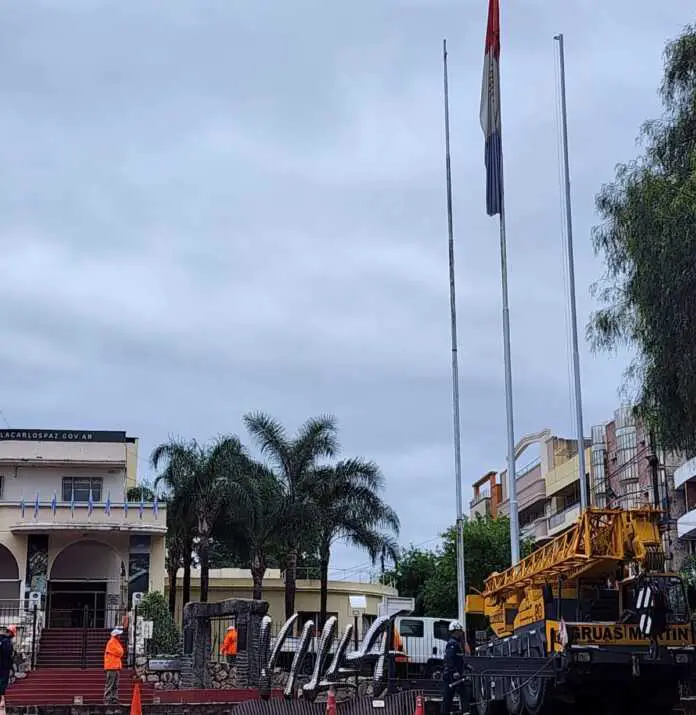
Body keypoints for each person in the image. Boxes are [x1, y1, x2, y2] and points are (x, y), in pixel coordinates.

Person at [441, 621, 471, 715]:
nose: (461, 633)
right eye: (460, 631)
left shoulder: (456, 643)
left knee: (462, 694)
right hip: (451, 676)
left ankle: (465, 712)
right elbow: (449, 659)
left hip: (456, 676)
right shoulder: (452, 644)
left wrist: (466, 666)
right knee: (448, 697)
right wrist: (454, 671)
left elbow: (457, 659)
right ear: (455, 631)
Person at [103, 627, 124, 705]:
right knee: (110, 684)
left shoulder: (116, 642)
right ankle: (107, 699)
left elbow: (121, 652)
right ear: (116, 635)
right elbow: (120, 652)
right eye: (119, 634)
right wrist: (121, 652)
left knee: (115, 684)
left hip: (115, 666)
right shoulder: (112, 642)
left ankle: (114, 698)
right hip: (111, 666)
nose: (120, 636)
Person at [0, 625, 16, 706]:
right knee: (3, 682)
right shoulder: (7, 642)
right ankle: (2, 700)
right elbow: (8, 654)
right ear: (11, 633)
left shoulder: (1, 639)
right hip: (4, 665)